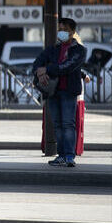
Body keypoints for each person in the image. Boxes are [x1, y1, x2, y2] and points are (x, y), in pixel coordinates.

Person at [33, 18, 87, 168]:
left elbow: (68, 66)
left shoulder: (79, 50)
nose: (60, 32)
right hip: (53, 92)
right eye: (59, 29)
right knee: (57, 125)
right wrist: (40, 73)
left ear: (72, 31)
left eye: (63, 29)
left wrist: (47, 69)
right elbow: (38, 62)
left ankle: (69, 156)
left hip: (69, 92)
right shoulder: (53, 49)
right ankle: (61, 155)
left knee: (68, 124)